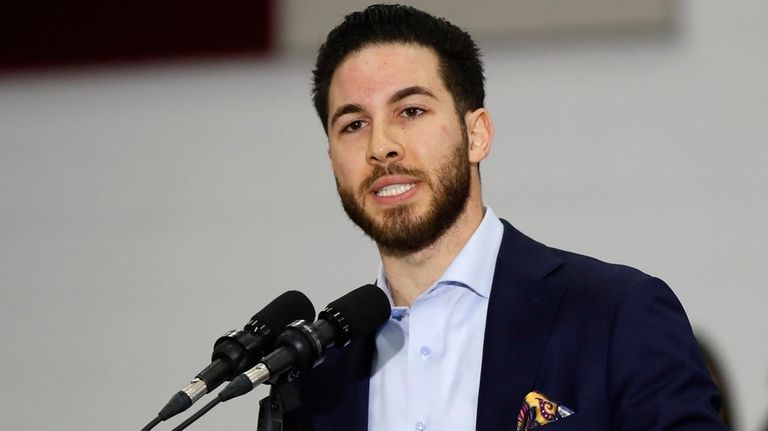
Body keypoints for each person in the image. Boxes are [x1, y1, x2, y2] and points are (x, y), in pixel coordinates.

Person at [284, 4, 727, 431]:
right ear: (331, 159)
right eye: (353, 125)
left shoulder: (616, 315)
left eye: (411, 111)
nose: (380, 146)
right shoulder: (317, 376)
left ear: (476, 135)